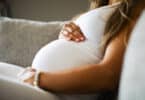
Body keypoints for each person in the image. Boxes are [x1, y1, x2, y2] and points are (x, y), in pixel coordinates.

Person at [0, 0, 145, 100]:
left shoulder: (135, 7)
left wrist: (40, 79)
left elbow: (109, 75)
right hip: (44, 85)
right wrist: (68, 30)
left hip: (61, 94)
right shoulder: (106, 4)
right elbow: (89, 36)